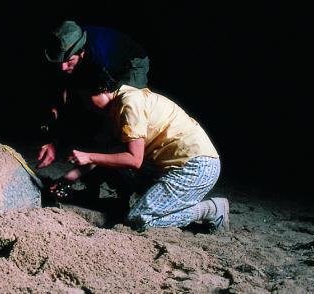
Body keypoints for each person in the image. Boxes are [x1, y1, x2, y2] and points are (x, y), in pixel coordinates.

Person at [54, 81, 228, 231]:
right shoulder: (117, 106)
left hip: (195, 167)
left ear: (103, 89)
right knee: (111, 161)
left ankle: (210, 209)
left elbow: (134, 159)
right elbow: (107, 153)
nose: (86, 105)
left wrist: (90, 157)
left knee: (139, 219)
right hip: (170, 165)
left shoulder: (130, 103)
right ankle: (133, 203)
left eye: (87, 98)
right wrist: (68, 178)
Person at [37, 20, 150, 169]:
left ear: (82, 53)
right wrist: (52, 138)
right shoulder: (65, 43)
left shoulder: (100, 57)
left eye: (69, 61)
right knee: (77, 98)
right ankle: (93, 149)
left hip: (132, 62)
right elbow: (61, 92)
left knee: (119, 110)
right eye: (60, 62)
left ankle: (129, 156)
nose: (63, 67)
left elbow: (104, 99)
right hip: (95, 60)